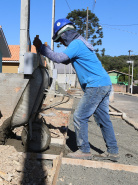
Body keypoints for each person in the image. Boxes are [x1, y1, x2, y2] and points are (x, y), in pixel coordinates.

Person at [33, 18, 119, 161]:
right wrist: (46, 50)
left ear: (65, 33)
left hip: (96, 84)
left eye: (60, 39)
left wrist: (42, 48)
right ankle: (113, 151)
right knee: (103, 118)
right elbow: (65, 60)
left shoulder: (76, 43)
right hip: (103, 83)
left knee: (79, 116)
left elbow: (59, 58)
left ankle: (84, 151)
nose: (61, 42)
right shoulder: (80, 42)